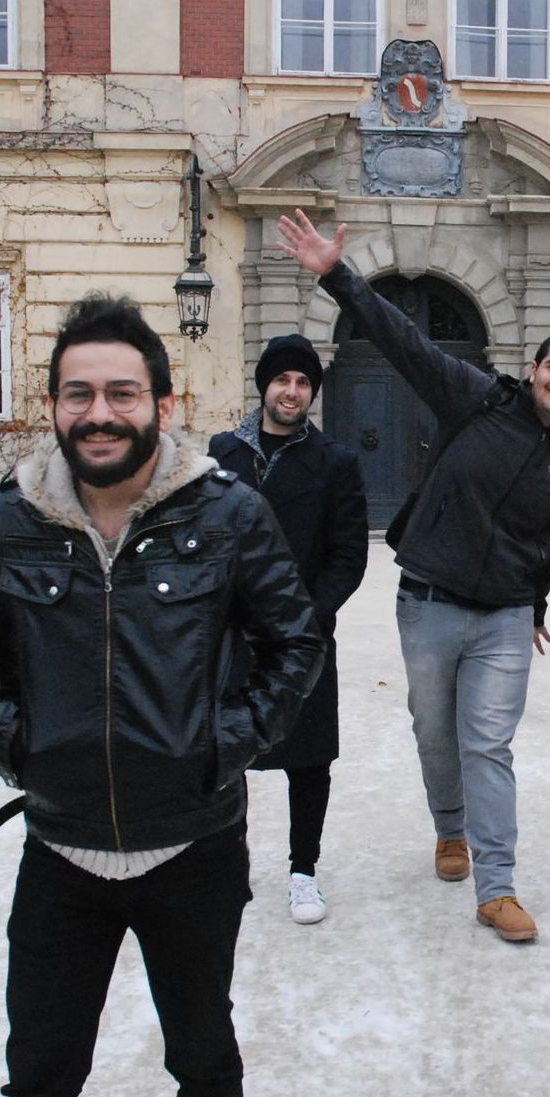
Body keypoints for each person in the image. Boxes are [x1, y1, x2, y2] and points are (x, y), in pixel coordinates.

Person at [0, 294, 326, 1097]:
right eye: (78, 393)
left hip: (192, 846)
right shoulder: (13, 519)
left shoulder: (227, 512)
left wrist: (222, 745)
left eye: (122, 392)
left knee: (202, 1055)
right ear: (54, 405)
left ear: (163, 403)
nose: (100, 412)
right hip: (61, 849)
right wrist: (18, 745)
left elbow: (293, 639)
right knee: (39, 1076)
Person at [275, 208, 550, 943]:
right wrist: (337, 275)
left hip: (505, 614)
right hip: (429, 600)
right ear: (535, 370)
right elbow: (404, 339)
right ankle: (449, 826)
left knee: (489, 744)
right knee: (435, 733)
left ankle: (498, 886)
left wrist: (538, 603)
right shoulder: (478, 399)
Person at [209, 334, 369, 925]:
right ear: (265, 386)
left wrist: (309, 617)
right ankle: (229, 862)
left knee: (308, 757)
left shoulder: (335, 461)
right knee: (230, 752)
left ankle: (304, 871)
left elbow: (348, 555)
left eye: (303, 382)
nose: (292, 391)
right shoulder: (224, 454)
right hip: (233, 634)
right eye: (282, 379)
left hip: (303, 634)